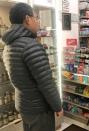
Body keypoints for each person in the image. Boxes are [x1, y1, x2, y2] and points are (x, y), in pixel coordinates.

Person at [2, 3, 62, 131]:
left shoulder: (8, 46)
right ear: (27, 19)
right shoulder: (31, 46)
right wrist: (58, 106)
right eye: (36, 17)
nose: (38, 21)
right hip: (39, 109)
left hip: (24, 106)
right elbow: (46, 83)